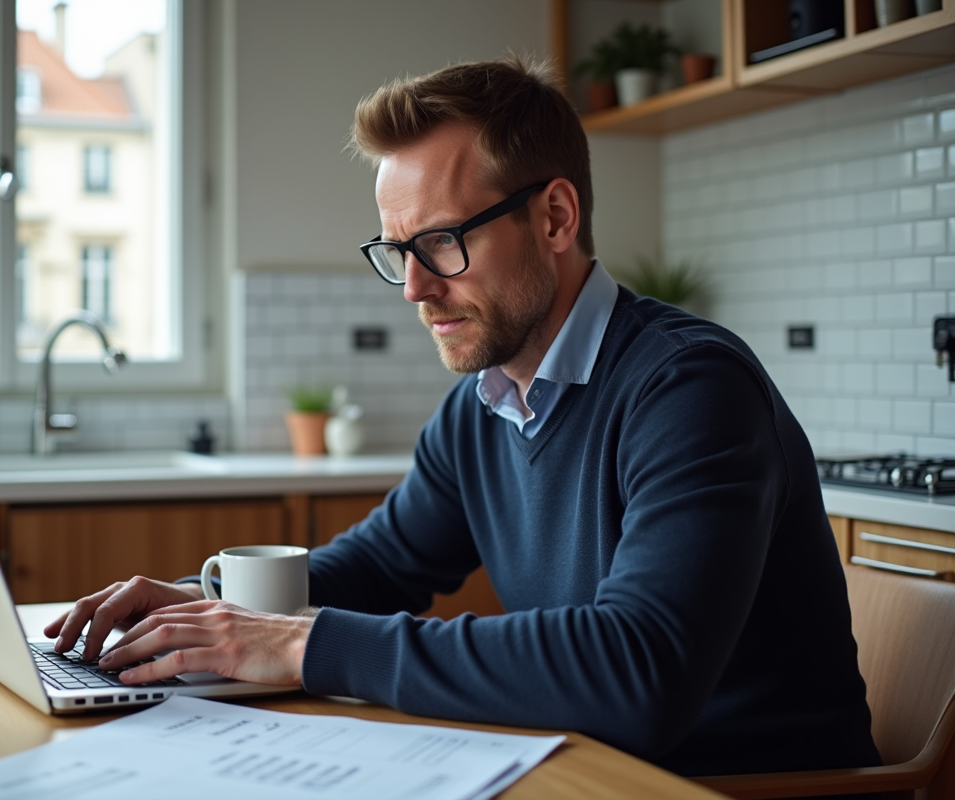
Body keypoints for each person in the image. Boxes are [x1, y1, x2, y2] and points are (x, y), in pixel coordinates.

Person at [46, 55, 881, 777]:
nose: (414, 287)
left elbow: (639, 671)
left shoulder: (692, 389)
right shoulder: (480, 409)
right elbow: (375, 568)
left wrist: (297, 644)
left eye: (442, 242)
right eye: (396, 251)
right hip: (593, 769)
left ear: (555, 217)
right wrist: (203, 608)